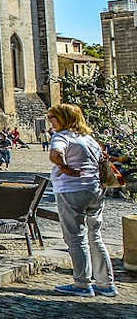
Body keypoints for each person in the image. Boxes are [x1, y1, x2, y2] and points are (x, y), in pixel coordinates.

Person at [47, 104, 116, 297]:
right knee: (95, 236)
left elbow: (56, 154)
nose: (49, 120)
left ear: (62, 118)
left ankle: (82, 283)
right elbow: (103, 159)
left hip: (72, 190)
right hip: (94, 190)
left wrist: (66, 168)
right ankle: (105, 283)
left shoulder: (62, 136)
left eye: (52, 116)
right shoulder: (88, 138)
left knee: (75, 238)